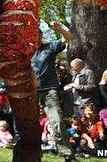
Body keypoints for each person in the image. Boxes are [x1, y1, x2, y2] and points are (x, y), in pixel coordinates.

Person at [31, 21, 75, 160]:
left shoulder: (49, 47)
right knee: (30, 124)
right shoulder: (25, 51)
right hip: (31, 92)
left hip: (49, 91)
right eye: (32, 35)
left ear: (40, 36)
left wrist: (60, 28)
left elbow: (68, 38)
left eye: (37, 34)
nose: (35, 37)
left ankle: (67, 154)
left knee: (57, 121)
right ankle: (34, 153)